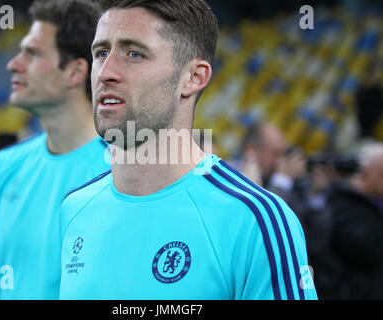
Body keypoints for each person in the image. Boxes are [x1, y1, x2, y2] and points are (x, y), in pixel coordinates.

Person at [59, 0, 317, 300]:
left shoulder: (256, 220)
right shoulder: (74, 209)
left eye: (133, 54)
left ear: (193, 78)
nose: (105, 72)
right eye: (101, 53)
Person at [0, 0, 109, 300]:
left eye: (33, 53)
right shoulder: (4, 165)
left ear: (76, 72)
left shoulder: (124, 173)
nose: (13, 64)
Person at [326, 142, 383, 299]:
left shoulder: (375, 202)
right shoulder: (341, 202)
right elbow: (367, 249)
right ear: (365, 172)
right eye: (382, 174)